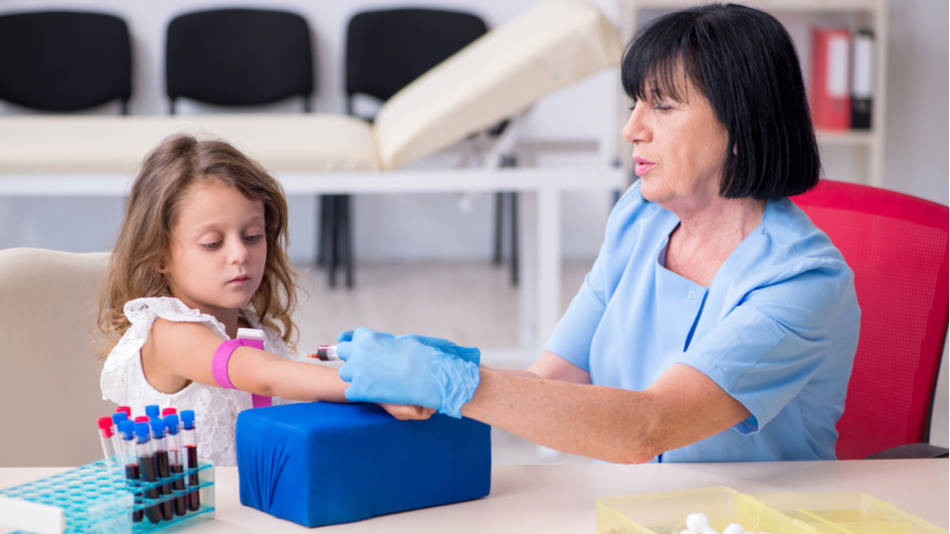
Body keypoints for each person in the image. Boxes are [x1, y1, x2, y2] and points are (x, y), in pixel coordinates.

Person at [335, 3, 861, 463]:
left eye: (662, 105)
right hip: (626, 506)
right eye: (633, 103)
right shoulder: (640, 217)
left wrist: (457, 385)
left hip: (745, 520)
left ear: (743, 125)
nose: (631, 129)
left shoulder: (802, 282)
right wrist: (437, 377)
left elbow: (650, 427)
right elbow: (555, 379)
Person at [97, 134, 431, 466]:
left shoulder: (254, 329)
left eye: (253, 236)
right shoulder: (169, 332)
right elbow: (263, 375)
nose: (240, 253)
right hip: (186, 516)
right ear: (159, 255)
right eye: (213, 243)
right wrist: (371, 386)